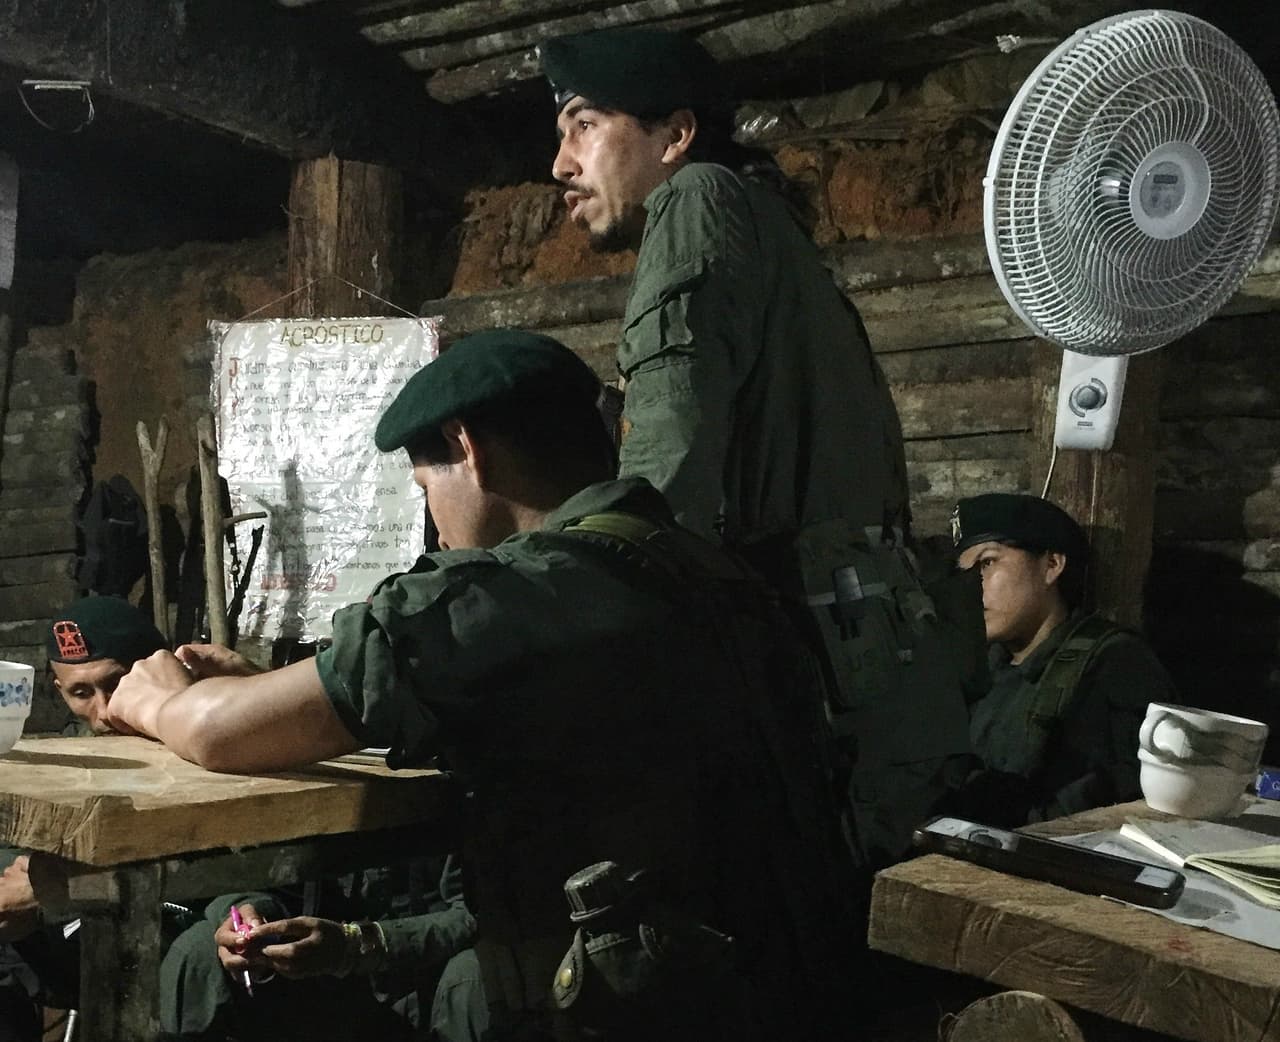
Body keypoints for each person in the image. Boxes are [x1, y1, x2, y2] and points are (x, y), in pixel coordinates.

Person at [105, 329, 852, 1042]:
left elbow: (216, 733)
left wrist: (154, 696)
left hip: (622, 1013)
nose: (433, 519)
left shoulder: (503, 598)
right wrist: (276, 688)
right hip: (779, 992)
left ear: (467, 449)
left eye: (427, 484)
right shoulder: (716, 577)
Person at [541, 26, 976, 870]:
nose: (561, 163)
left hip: (812, 670)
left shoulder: (695, 198)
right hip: (870, 658)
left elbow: (662, 481)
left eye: (584, 125)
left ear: (675, 134)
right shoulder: (768, 232)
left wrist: (565, 613)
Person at [951, 492, 1179, 826]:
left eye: (988, 562)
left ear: (1051, 565)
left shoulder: (1113, 664)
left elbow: (1111, 809)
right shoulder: (976, 664)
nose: (972, 585)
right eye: (964, 571)